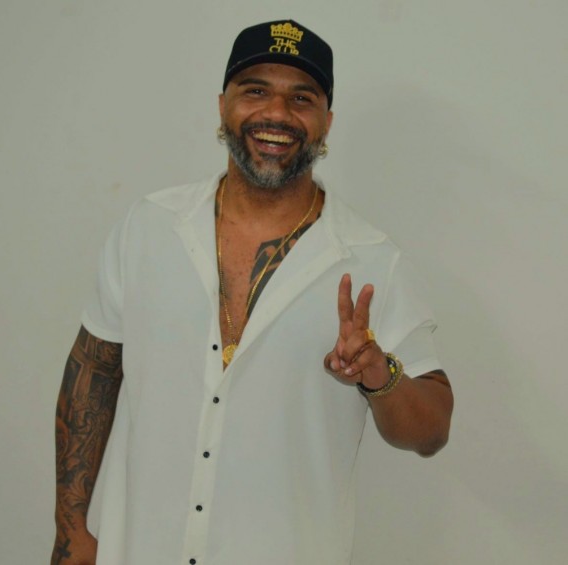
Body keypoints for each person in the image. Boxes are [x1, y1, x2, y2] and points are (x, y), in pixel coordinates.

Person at [51, 19, 453, 565]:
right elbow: (93, 371)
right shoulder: (148, 228)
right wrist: (71, 530)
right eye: (255, 90)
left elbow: (432, 430)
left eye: (301, 98)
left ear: (327, 122)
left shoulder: (372, 261)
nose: (277, 114)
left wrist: (381, 376)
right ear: (223, 105)